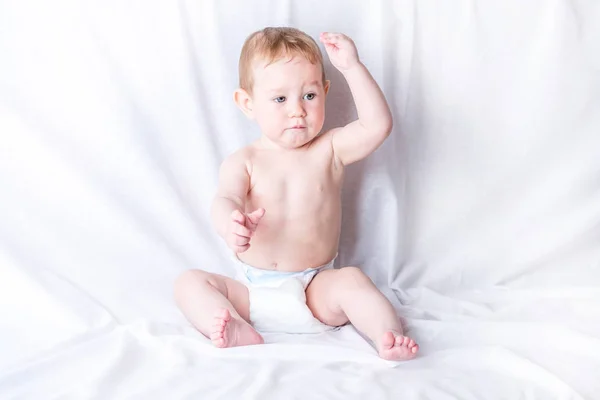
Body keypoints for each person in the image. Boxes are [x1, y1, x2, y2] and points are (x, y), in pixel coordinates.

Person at [174, 27, 418, 361]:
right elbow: (225, 199)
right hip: (251, 292)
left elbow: (378, 126)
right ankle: (232, 326)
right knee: (188, 283)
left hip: (314, 289)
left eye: (309, 96)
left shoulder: (329, 148)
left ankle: (386, 336)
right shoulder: (244, 160)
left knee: (353, 281)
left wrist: (352, 67)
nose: (297, 111)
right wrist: (231, 223)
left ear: (325, 92)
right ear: (247, 103)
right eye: (279, 99)